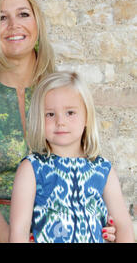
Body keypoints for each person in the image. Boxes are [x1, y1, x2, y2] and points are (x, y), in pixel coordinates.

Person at [0, 0, 116, 242]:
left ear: (37, 23)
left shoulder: (62, 92)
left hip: (58, 227)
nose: (14, 26)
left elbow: (84, 169)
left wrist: (100, 223)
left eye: (23, 14)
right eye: (2, 17)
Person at [9, 71, 134, 242]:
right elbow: (18, 231)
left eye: (70, 113)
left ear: (87, 117)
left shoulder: (102, 169)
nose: (60, 121)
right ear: (39, 119)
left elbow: (124, 227)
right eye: (50, 114)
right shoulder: (32, 168)